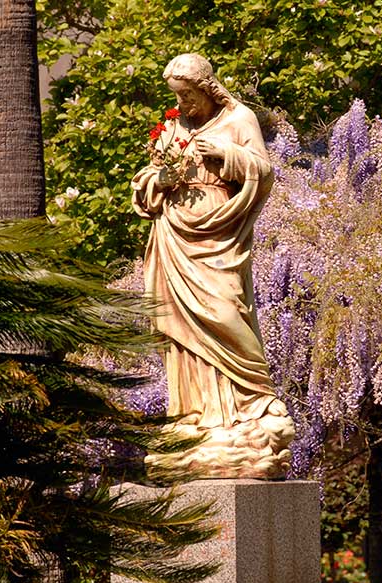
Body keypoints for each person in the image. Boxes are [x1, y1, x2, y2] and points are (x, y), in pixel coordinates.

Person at [131, 53, 290, 435]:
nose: (182, 105)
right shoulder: (173, 127)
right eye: (177, 97)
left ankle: (256, 397)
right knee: (181, 323)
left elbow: (264, 172)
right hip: (175, 231)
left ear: (206, 88)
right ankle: (194, 414)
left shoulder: (239, 119)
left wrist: (227, 154)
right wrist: (160, 180)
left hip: (219, 230)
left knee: (224, 308)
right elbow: (147, 183)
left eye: (187, 96)